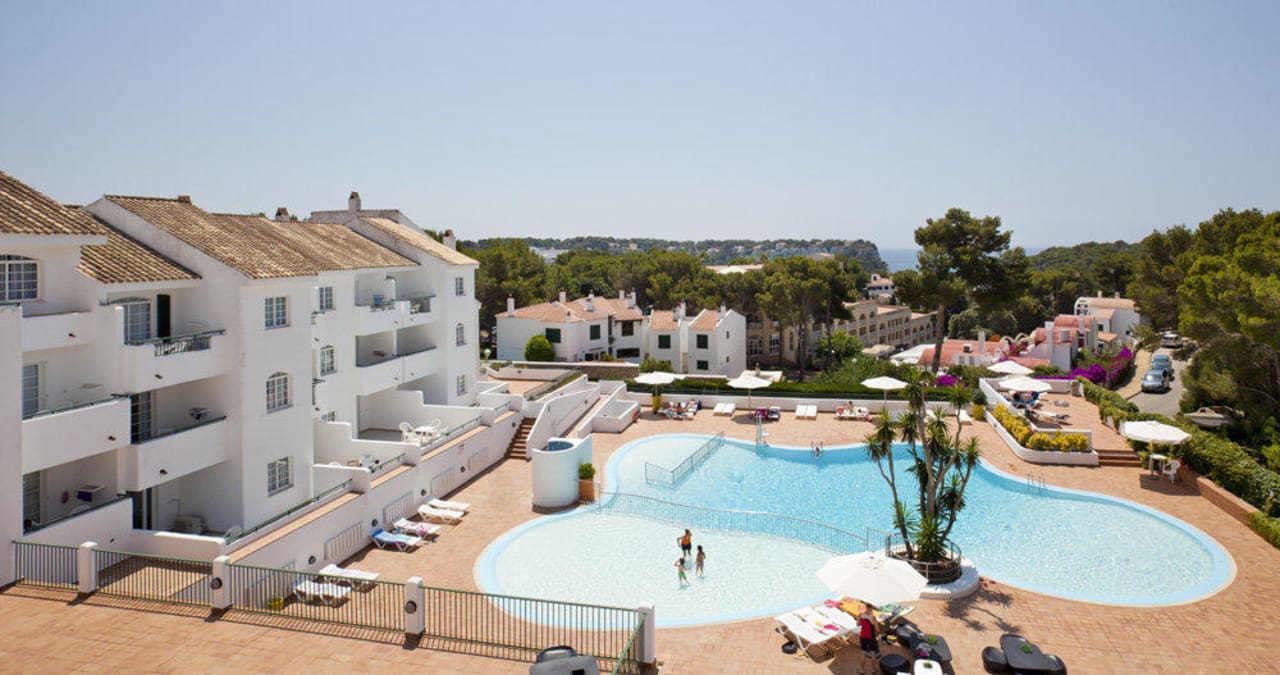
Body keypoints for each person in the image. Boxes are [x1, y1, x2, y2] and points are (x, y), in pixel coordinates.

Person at [857, 606, 880, 673]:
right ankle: (873, 669)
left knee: (863, 652)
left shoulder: (860, 615)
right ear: (871, 609)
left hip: (863, 636)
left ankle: (861, 670)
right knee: (873, 653)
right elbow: (877, 630)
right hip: (871, 637)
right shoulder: (873, 618)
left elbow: (858, 624)